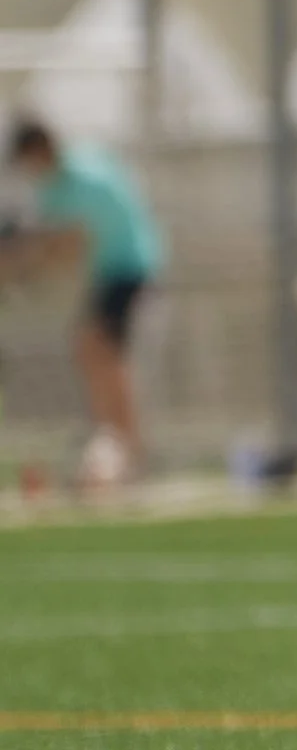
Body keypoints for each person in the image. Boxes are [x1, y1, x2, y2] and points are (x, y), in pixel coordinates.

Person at [0, 115, 164, 489]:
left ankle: (126, 446)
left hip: (132, 268)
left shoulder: (85, 176)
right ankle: (115, 441)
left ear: (39, 149)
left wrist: (17, 267)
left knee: (101, 351)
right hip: (110, 272)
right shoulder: (56, 186)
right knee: (92, 349)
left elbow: (64, 243)